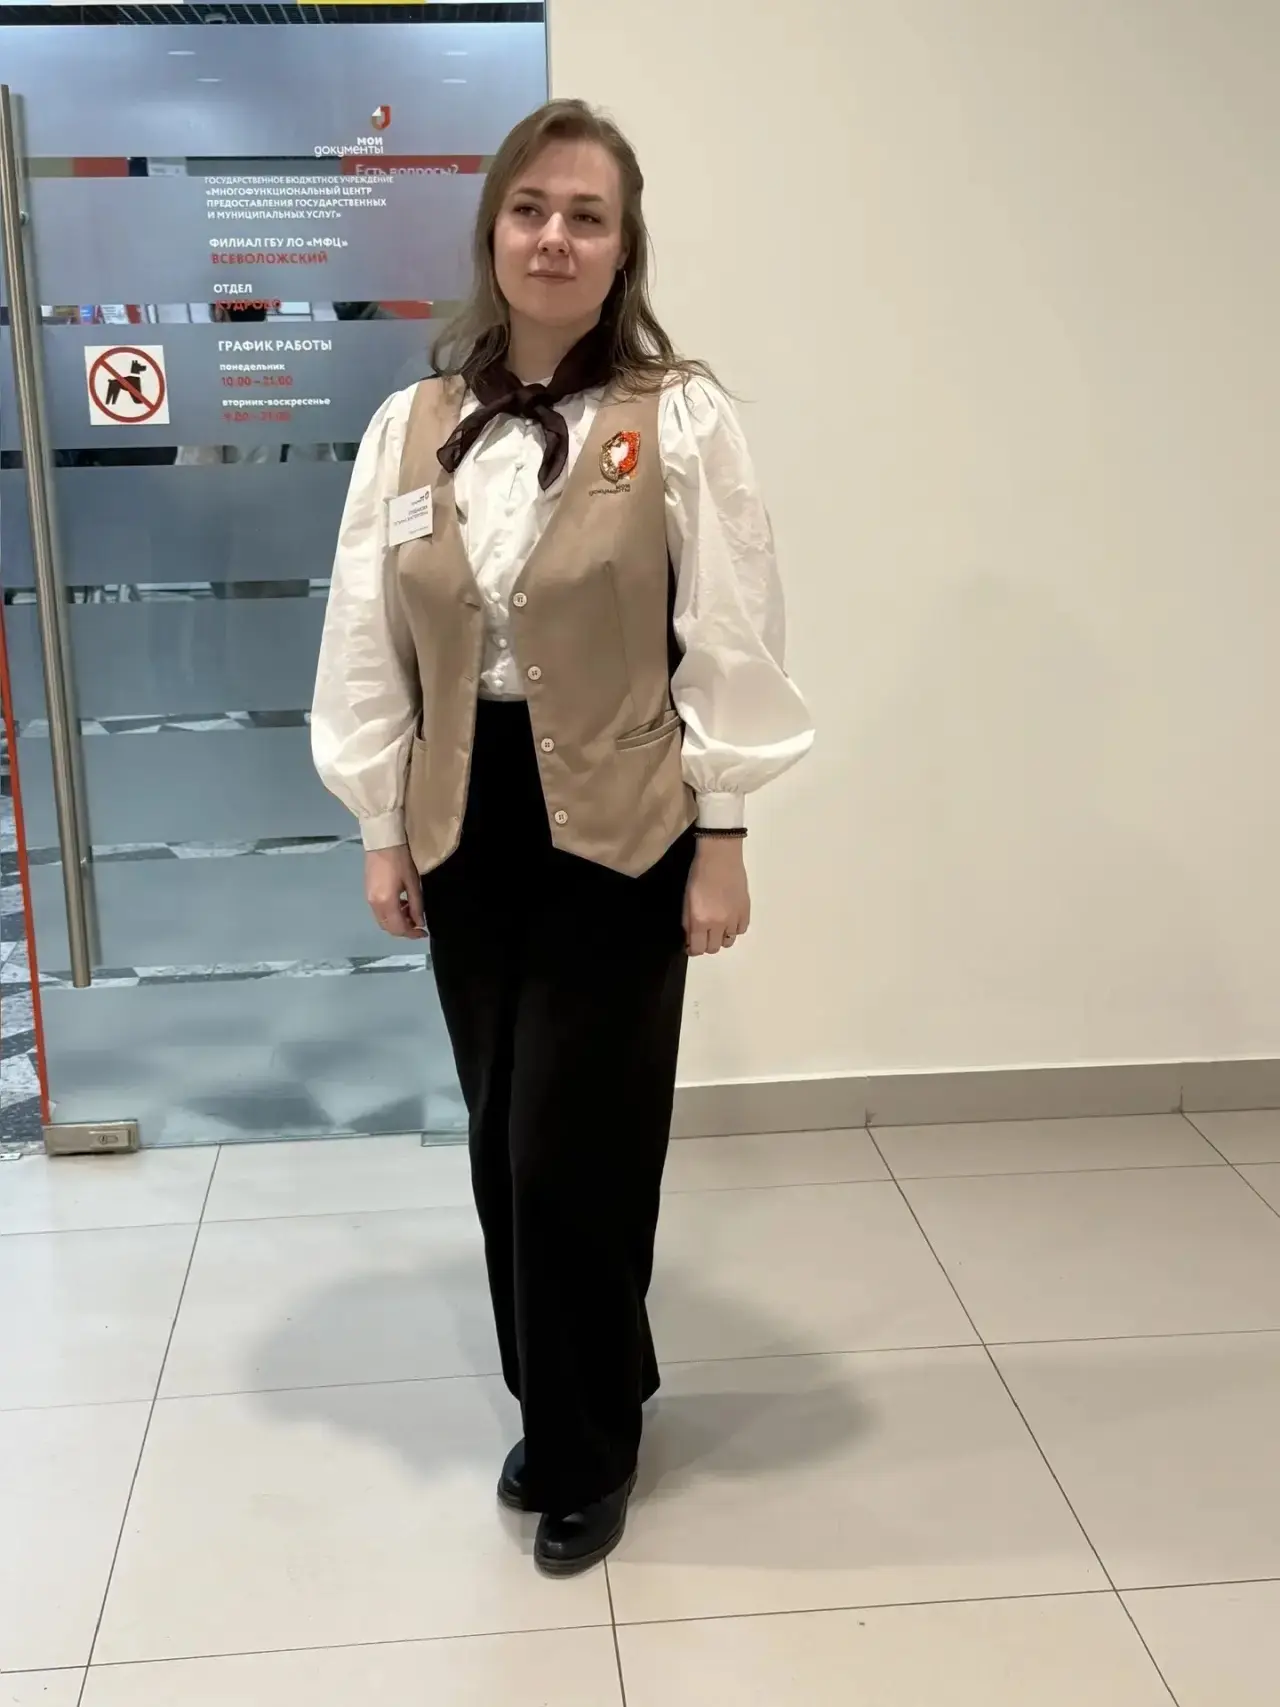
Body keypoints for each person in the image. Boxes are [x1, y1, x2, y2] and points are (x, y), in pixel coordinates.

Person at [311, 98, 813, 1576]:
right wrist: (381, 825)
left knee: (572, 1144)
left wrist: (725, 831)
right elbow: (364, 640)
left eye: (587, 216)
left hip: (627, 821)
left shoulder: (680, 418)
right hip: (466, 819)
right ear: (493, 232)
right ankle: (582, 1381)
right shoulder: (410, 426)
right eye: (531, 209)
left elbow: (731, 631)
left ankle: (587, 1446)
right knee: (500, 1133)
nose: (554, 237)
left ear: (622, 246)